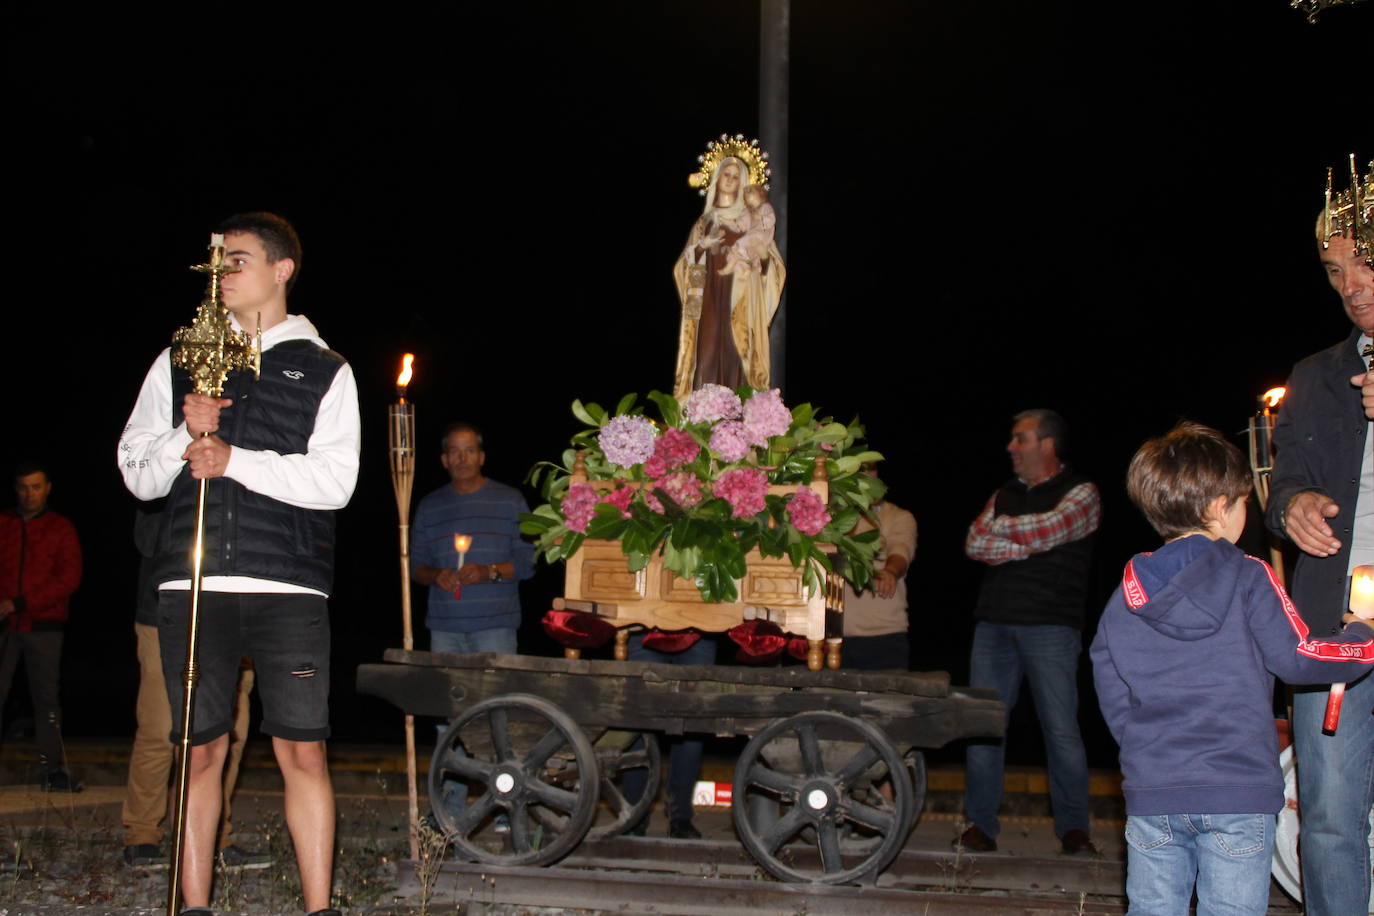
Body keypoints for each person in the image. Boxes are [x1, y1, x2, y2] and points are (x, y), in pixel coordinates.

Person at [117, 212, 359, 916]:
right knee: (199, 752)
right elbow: (137, 472)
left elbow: (335, 482)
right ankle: (194, 906)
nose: (222, 274)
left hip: (287, 583)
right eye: (217, 262)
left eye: (238, 260)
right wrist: (180, 439)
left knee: (303, 753)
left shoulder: (324, 368)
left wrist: (235, 459)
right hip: (192, 583)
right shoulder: (177, 359)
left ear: (283, 270)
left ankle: (319, 908)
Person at [1093, 421, 1374, 915]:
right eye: (1245, 500)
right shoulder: (1249, 577)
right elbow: (1299, 657)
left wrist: (1141, 743)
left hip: (1153, 787)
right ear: (1221, 506)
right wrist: (1360, 638)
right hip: (1238, 790)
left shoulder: (1128, 592)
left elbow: (1107, 674)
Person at [1266, 219, 1374, 915]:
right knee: (1330, 818)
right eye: (1334, 271)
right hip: (1339, 628)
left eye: (1363, 262)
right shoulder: (1316, 374)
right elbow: (1280, 493)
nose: (1350, 286)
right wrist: (1295, 503)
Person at [958, 409, 1100, 855]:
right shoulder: (1005, 492)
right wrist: (1029, 543)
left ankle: (1074, 830)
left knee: (1060, 730)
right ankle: (980, 826)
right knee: (984, 727)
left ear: (1047, 445)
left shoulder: (1083, 491)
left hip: (1051, 626)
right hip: (993, 624)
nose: (1010, 447)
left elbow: (1056, 526)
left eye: (1020, 439)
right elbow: (974, 543)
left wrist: (1007, 534)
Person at [121, 504, 266, 871]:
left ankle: (216, 835)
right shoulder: (170, 454)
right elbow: (148, 538)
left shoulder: (255, 456)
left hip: (237, 613)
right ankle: (142, 835)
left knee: (231, 732)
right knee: (159, 728)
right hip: (165, 609)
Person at [411, 423, 535, 655]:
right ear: (444, 460)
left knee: (496, 692)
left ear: (481, 457)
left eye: (469, 451)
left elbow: (528, 562)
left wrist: (488, 572)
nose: (462, 458)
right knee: (445, 692)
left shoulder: (511, 501)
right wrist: (437, 575)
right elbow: (416, 567)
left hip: (496, 631)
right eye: (454, 452)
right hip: (443, 632)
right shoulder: (429, 507)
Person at [672, 157, 785, 398]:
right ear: (717, 177)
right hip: (709, 300)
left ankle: (739, 423)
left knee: (737, 356)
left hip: (741, 301)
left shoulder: (751, 220)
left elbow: (772, 263)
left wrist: (761, 259)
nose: (730, 180)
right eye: (727, 174)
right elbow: (683, 266)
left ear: (742, 184)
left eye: (736, 177)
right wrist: (702, 247)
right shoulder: (704, 222)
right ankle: (701, 417)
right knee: (705, 356)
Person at [0, 461, 82, 792]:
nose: (29, 494)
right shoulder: (3, 523)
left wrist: (21, 602)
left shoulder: (61, 528)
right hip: (4, 627)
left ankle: (51, 770)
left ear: (47, 488)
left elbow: (69, 579)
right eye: (23, 487)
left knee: (46, 700)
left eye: (35, 487)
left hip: (44, 627)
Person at [842, 472, 916, 670]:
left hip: (884, 637)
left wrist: (889, 572)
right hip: (831, 639)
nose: (869, 475)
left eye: (873, 469)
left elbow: (901, 552)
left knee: (886, 702)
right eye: (863, 469)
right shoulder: (833, 516)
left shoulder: (898, 516)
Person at [718, 184, 777, 281]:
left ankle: (729, 267)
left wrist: (761, 218)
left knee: (741, 244)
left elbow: (771, 219)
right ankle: (746, 269)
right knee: (739, 250)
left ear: (760, 192)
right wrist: (724, 220)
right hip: (751, 239)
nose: (747, 194)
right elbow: (739, 225)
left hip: (761, 237)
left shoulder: (765, 206)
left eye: (750, 191)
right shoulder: (747, 212)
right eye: (745, 193)